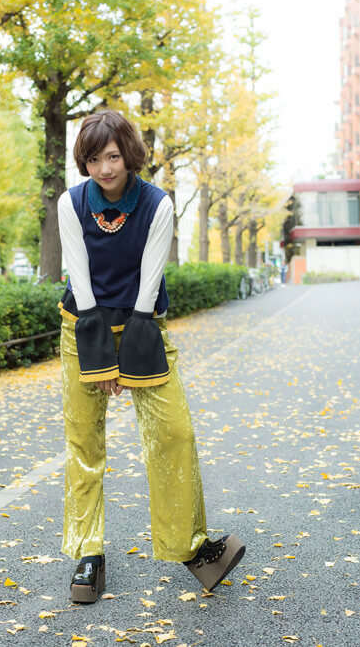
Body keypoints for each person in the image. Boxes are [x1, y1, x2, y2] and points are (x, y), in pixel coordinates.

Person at [57, 109, 245, 603]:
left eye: (112, 157)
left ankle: (190, 547)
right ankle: (88, 554)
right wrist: (101, 357)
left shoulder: (157, 204)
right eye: (93, 160)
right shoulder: (70, 203)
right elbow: (80, 279)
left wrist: (129, 355)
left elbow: (149, 284)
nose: (104, 169)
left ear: (129, 155)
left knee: (174, 432)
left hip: (143, 322)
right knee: (84, 442)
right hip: (83, 327)